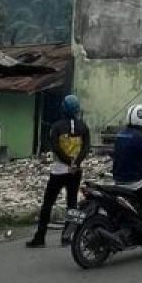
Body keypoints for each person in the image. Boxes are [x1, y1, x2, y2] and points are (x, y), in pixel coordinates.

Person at [27, 95, 91, 248]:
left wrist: (68, 161)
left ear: (63, 108)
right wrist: (76, 162)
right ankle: (67, 236)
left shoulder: (56, 127)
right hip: (75, 172)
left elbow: (55, 147)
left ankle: (40, 237)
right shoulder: (83, 127)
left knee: (48, 204)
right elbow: (86, 148)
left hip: (58, 171)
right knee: (72, 204)